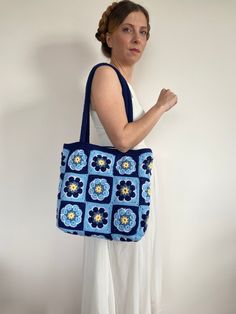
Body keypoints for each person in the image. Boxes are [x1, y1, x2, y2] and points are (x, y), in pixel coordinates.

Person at [80, 1, 178, 313]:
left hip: (129, 198)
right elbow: (122, 140)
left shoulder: (123, 84)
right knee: (122, 276)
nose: (137, 39)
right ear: (109, 38)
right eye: (127, 29)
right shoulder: (105, 75)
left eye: (143, 32)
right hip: (117, 201)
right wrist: (159, 107)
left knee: (127, 277)